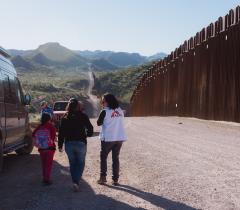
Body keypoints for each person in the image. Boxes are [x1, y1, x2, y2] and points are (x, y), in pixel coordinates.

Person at [58, 98, 93, 192]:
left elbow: (61, 133)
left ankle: (75, 181)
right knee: (81, 163)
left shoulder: (64, 117)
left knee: (72, 163)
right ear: (78, 106)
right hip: (81, 143)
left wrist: (60, 145)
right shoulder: (83, 116)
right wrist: (87, 135)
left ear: (68, 106)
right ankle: (76, 182)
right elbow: (90, 128)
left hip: (69, 144)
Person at [97, 93, 127, 186]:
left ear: (107, 102)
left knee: (103, 157)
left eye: (103, 101)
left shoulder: (104, 111)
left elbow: (98, 123)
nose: (102, 103)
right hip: (119, 138)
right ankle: (115, 179)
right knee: (115, 158)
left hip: (108, 138)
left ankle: (103, 178)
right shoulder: (120, 111)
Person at [32, 113, 56, 185]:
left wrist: (38, 142)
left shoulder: (39, 126)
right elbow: (53, 137)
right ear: (49, 119)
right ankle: (47, 179)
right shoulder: (51, 126)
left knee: (44, 164)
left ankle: (44, 178)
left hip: (41, 148)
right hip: (50, 148)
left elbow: (33, 134)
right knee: (48, 164)